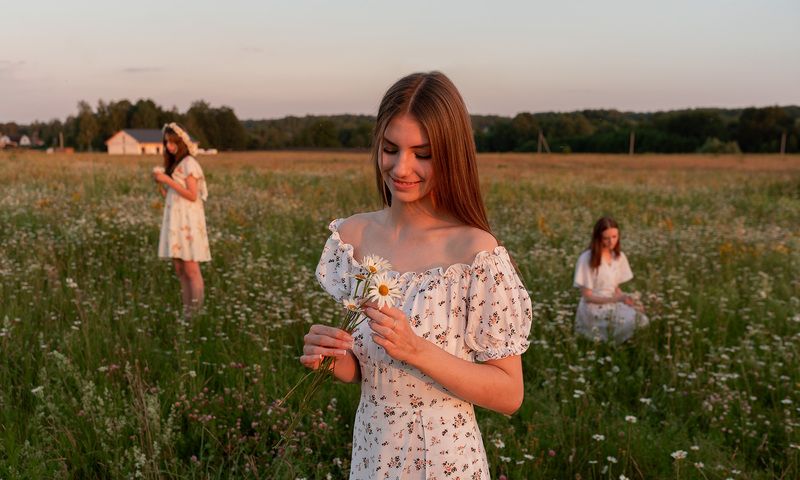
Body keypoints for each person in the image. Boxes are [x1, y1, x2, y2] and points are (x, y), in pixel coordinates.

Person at [300, 72, 532, 479]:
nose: (401, 167)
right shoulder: (353, 239)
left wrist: (417, 349)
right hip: (374, 453)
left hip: (445, 460)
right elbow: (368, 370)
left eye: (421, 153)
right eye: (391, 149)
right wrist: (336, 360)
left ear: (451, 153)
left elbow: (510, 394)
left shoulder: (475, 254)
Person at [152, 122, 210, 318]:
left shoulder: (189, 163)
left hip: (188, 222)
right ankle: (188, 312)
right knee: (179, 267)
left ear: (180, 142)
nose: (168, 146)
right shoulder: (176, 163)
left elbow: (192, 195)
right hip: (176, 220)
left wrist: (167, 180)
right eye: (166, 142)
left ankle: (197, 313)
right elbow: (174, 194)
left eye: (172, 141)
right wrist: (162, 183)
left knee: (191, 268)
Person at [573, 216, 648, 344]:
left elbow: (615, 288)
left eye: (614, 237)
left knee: (642, 318)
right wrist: (617, 299)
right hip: (593, 308)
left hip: (613, 302)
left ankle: (623, 345)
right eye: (606, 238)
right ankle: (611, 346)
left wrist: (629, 301)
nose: (611, 242)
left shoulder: (618, 257)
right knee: (628, 322)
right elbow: (587, 297)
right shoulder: (587, 258)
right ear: (598, 238)